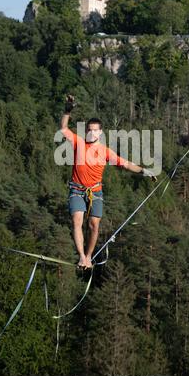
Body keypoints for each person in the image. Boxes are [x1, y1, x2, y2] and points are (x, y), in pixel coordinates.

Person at [60, 95, 157, 269]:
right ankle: (82, 257)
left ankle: (89, 256)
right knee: (77, 220)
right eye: (89, 130)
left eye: (95, 130)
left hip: (95, 191)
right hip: (77, 189)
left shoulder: (106, 152)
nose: (92, 132)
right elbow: (64, 129)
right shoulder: (79, 144)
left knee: (94, 224)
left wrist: (144, 171)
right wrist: (68, 110)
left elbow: (126, 164)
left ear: (100, 133)